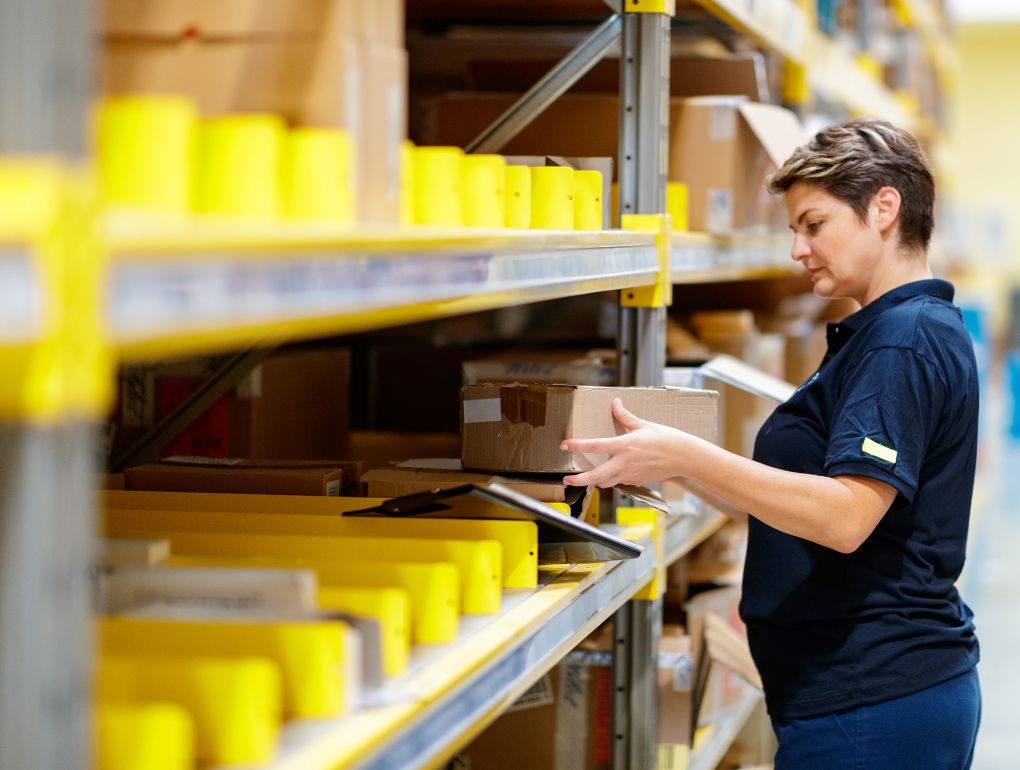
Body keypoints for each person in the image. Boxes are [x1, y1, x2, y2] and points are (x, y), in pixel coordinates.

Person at [562, 118, 981, 769]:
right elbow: (798, 512)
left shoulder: (902, 340)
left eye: (813, 224)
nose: (797, 249)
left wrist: (689, 456)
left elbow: (844, 518)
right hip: (862, 697)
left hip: (873, 703)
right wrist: (662, 463)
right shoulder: (885, 333)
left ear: (884, 208)